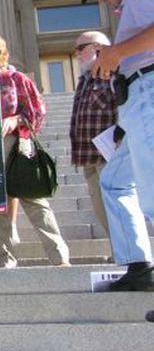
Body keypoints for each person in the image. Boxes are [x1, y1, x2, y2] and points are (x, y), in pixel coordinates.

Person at [78, 0, 154, 291]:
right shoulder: (130, 5)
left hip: (148, 91)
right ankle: (140, 267)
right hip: (136, 101)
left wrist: (115, 53)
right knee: (115, 182)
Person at [0, 31, 70, 268]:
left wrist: (15, 120)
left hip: (16, 144)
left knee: (34, 200)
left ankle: (59, 256)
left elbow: (37, 109)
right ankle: (5, 257)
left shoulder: (17, 79)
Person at [68, 31, 116, 242]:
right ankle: (121, 256)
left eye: (81, 48)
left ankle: (134, 259)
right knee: (102, 211)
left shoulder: (115, 71)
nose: (76, 54)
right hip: (89, 157)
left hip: (111, 156)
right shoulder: (85, 78)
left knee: (118, 208)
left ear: (97, 48)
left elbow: (124, 108)